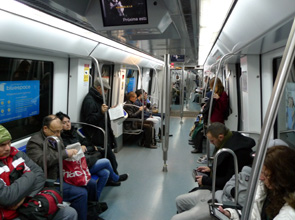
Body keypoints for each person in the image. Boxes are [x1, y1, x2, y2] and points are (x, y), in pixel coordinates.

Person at [171, 139, 288, 220]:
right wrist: (230, 213)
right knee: (179, 200)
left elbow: (242, 200)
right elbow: (230, 183)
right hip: (222, 200)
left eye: (266, 174)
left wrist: (231, 193)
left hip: (225, 203)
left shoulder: (284, 206)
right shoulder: (254, 175)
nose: (261, 177)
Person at [0, 125, 78, 220]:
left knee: (69, 212)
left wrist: (23, 198)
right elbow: (6, 197)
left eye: (9, 143)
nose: (8, 148)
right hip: (9, 214)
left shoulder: (17, 154)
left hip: (29, 203)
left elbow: (40, 175)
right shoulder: (35, 142)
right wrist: (29, 175)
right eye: (2, 145)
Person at [26, 115, 88, 220]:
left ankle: (90, 212)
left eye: (60, 132)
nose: (58, 135)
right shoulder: (35, 142)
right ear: (45, 128)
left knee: (89, 183)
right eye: (55, 132)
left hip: (63, 172)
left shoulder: (56, 137)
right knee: (81, 193)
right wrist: (64, 153)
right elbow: (40, 161)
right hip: (50, 180)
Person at [56, 111, 129, 201]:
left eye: (68, 121)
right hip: (76, 166)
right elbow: (72, 153)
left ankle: (95, 200)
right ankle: (116, 178)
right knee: (106, 161)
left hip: (85, 160)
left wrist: (84, 147)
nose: (68, 124)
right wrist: (82, 149)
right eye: (64, 123)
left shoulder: (74, 132)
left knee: (105, 173)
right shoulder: (61, 138)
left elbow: (86, 142)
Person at [219, 145, 295, 220]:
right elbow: (254, 215)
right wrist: (231, 215)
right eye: (261, 173)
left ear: (281, 176)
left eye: (266, 175)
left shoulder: (290, 211)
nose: (261, 178)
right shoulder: (265, 188)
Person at [192, 122, 255, 191]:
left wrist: (205, 180)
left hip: (228, 189)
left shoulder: (237, 153)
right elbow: (225, 167)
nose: (211, 143)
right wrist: (211, 169)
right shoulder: (230, 139)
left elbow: (229, 180)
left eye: (212, 141)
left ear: (221, 137)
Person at [81, 77, 119, 174]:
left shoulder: (97, 98)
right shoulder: (89, 101)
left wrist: (109, 109)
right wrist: (101, 112)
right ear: (98, 88)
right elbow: (89, 120)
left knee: (110, 157)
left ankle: (113, 176)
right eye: (105, 89)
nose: (106, 92)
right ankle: (114, 177)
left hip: (101, 133)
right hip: (95, 135)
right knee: (110, 157)